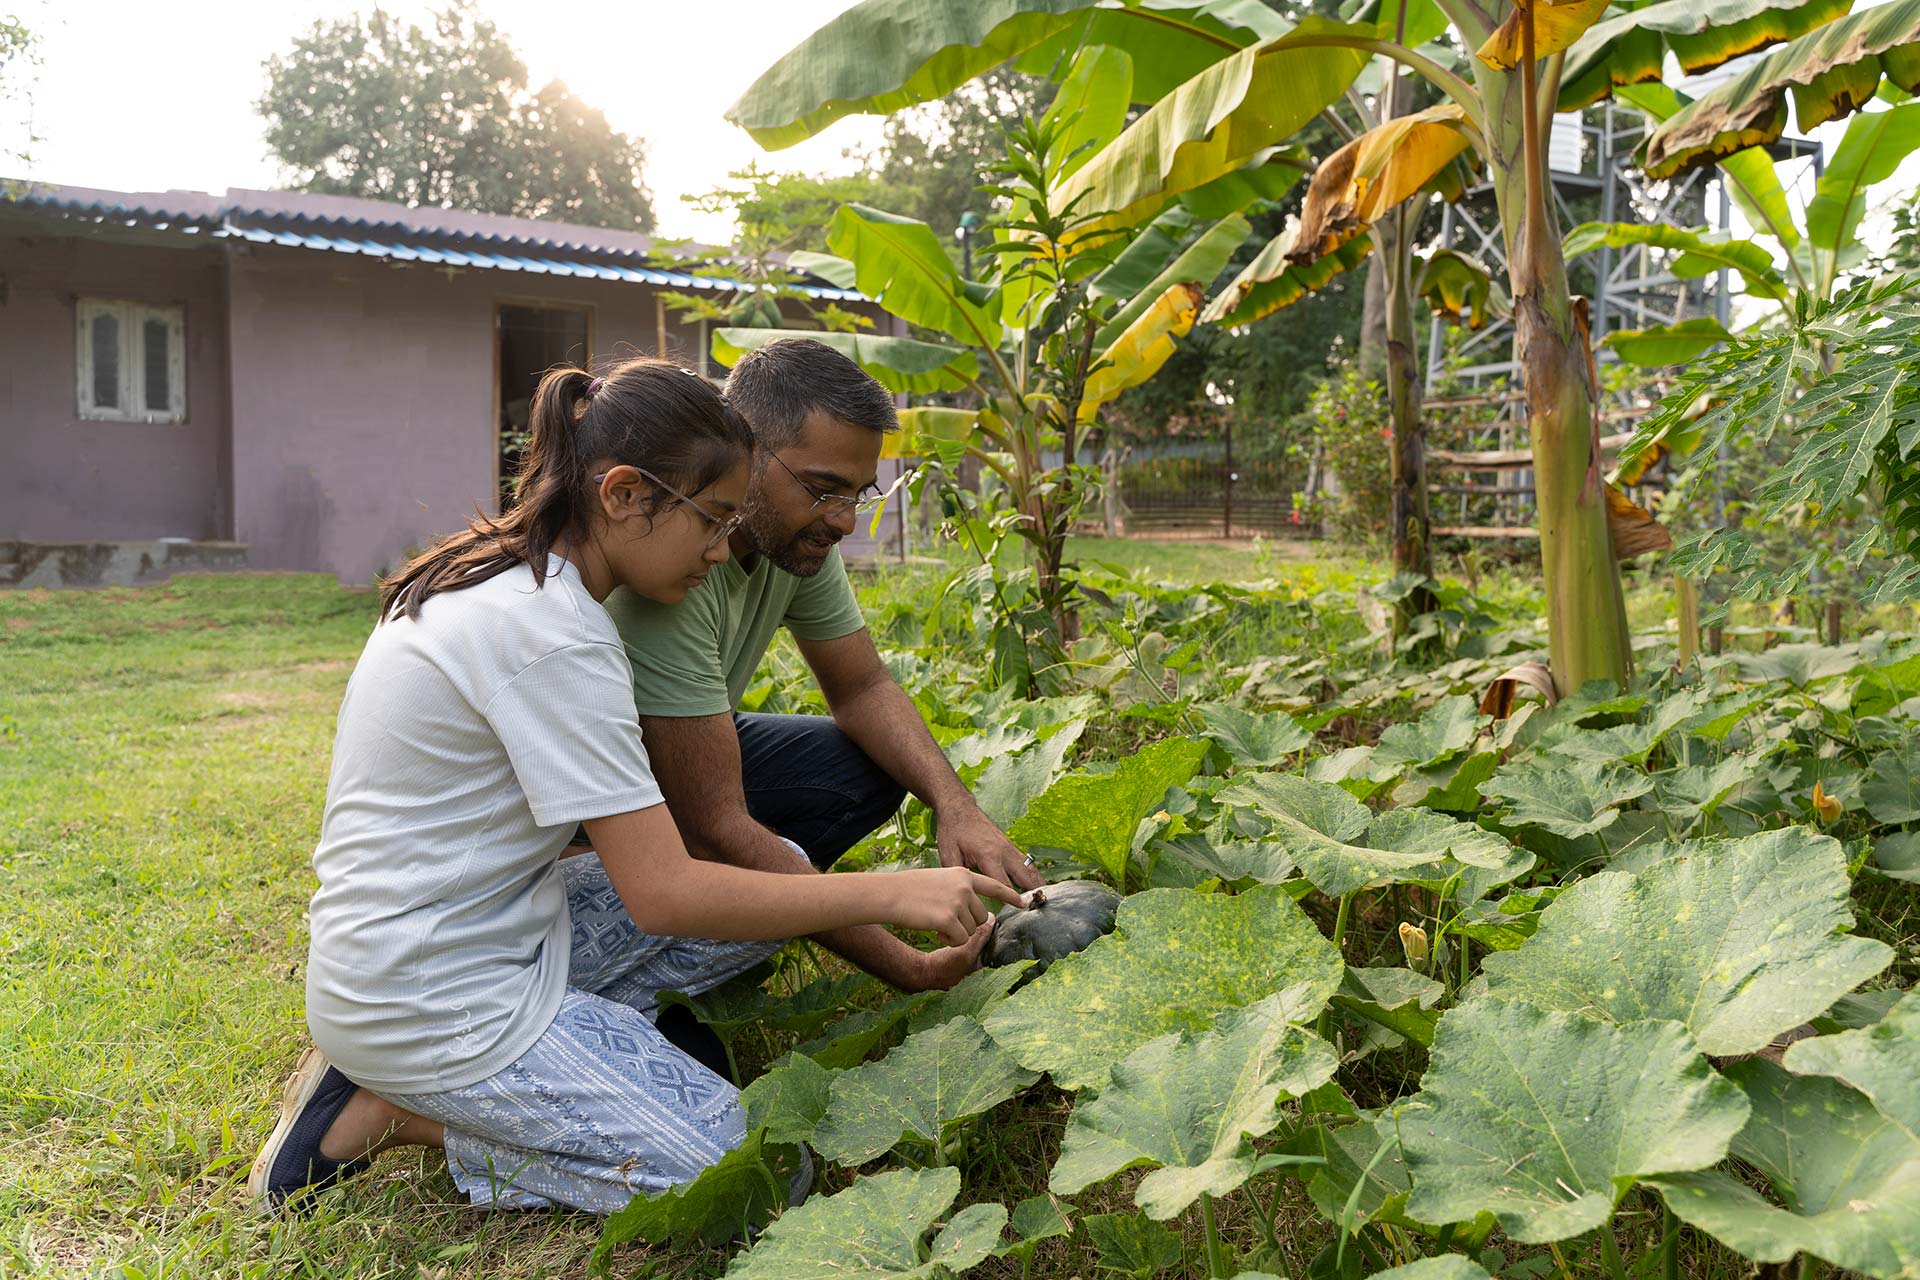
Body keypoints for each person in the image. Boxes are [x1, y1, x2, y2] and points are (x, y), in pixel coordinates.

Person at [248, 357, 1021, 1213]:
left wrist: (871, 895)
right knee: (756, 1177)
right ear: (622, 495)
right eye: (714, 520)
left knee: (784, 869)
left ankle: (540, 1063)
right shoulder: (555, 638)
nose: (726, 550)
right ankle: (389, 1109)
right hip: (430, 991)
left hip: (480, 933)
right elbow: (661, 893)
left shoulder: (510, 575)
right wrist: (896, 894)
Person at [603, 338, 1046, 1013]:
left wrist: (957, 807)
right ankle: (716, 929)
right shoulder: (671, 569)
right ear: (741, 447)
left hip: (680, 753)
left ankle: (758, 898)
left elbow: (863, 687)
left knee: (864, 767)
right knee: (703, 1057)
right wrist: (907, 962)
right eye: (822, 491)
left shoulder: (790, 536)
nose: (843, 520)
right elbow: (718, 822)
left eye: (857, 495)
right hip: (599, 811)